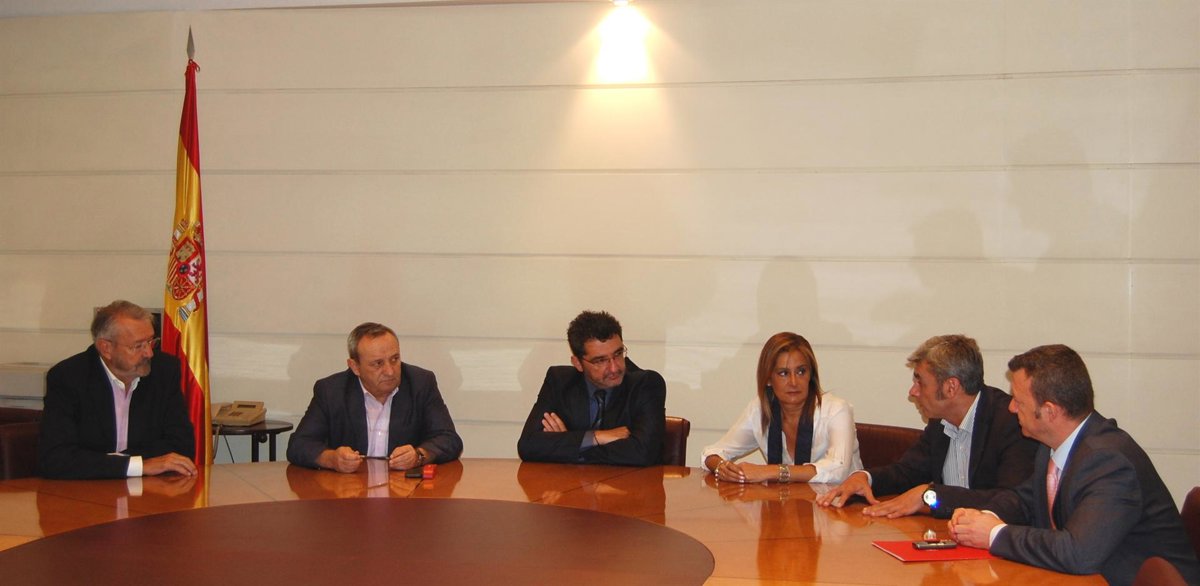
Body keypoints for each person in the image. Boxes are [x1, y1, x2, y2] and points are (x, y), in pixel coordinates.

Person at [949, 345, 1200, 585]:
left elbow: (1078, 553)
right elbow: (1024, 500)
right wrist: (983, 517)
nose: (1011, 407)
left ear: (1050, 411)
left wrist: (994, 534)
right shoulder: (1054, 445)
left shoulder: (1109, 461)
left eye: (1018, 400)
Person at [816, 334, 1038, 518]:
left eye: (919, 382)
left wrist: (930, 496)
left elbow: (1011, 501)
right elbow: (907, 472)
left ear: (951, 387)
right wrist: (865, 478)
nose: (912, 392)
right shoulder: (940, 421)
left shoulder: (1011, 422)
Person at [38, 300, 197, 480]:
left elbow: (182, 446)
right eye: (138, 346)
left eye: (151, 342)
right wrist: (137, 465)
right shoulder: (69, 378)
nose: (149, 353)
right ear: (106, 348)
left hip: (148, 490)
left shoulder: (164, 371)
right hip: (85, 491)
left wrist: (108, 462)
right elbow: (55, 458)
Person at [287, 322, 463, 472]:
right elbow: (299, 445)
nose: (390, 371)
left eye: (394, 359)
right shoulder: (331, 391)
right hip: (350, 492)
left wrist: (418, 456)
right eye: (378, 363)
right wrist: (332, 459)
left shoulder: (420, 383)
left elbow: (449, 440)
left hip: (404, 491)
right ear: (355, 367)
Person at [702, 332, 862, 484]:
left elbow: (838, 470)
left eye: (801, 371)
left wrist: (770, 471)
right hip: (784, 501)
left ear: (811, 375)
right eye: (783, 373)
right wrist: (723, 468)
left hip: (844, 501)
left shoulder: (836, 410)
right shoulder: (760, 409)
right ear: (768, 379)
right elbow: (711, 453)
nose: (794, 382)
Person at [517, 310, 665, 466]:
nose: (614, 368)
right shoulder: (559, 381)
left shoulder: (646, 384)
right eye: (600, 360)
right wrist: (597, 437)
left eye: (618, 354)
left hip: (629, 481)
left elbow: (642, 453)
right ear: (578, 363)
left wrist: (570, 445)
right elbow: (528, 445)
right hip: (570, 481)